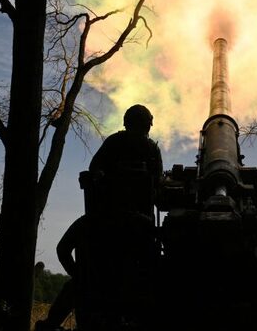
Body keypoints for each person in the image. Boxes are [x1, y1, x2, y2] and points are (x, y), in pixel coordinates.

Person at [35, 105, 163, 331]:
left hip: (96, 272)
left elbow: (62, 250)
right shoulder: (150, 149)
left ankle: (50, 324)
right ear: (147, 125)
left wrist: (81, 277)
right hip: (139, 250)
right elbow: (158, 185)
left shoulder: (91, 223)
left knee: (74, 288)